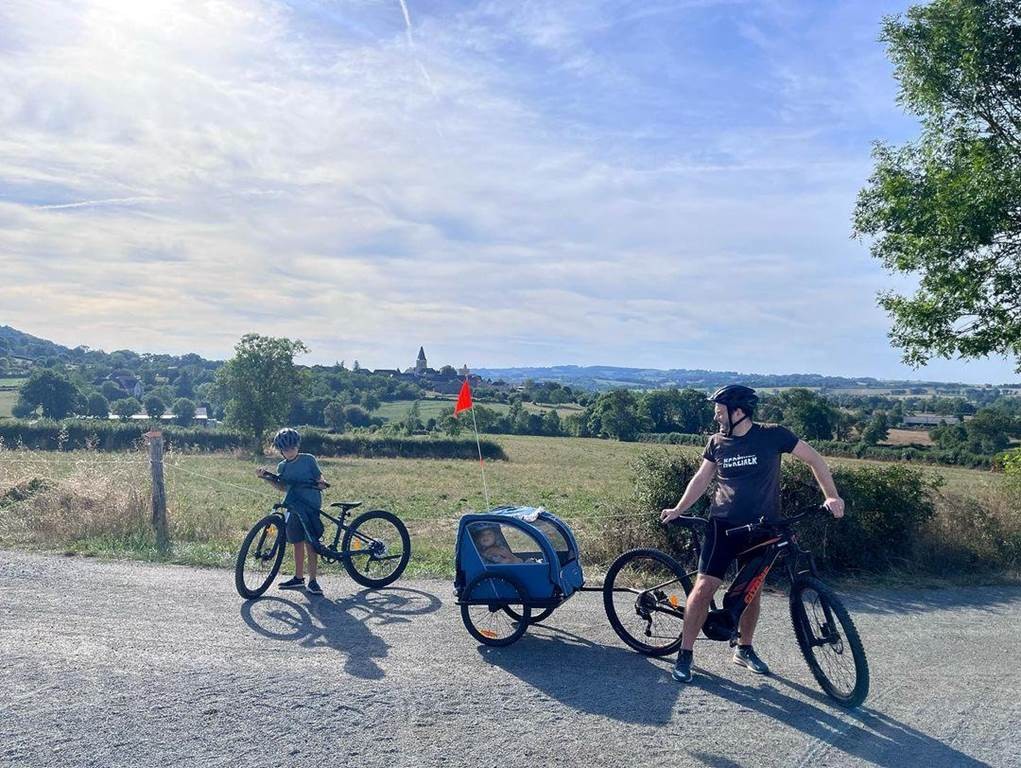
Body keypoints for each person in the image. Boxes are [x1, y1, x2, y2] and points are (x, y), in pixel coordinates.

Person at [660, 385, 845, 683]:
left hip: (763, 528)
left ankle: (744, 649)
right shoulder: (717, 442)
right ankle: (685, 654)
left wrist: (832, 496)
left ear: (738, 412)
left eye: (720, 411)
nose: (716, 416)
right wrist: (679, 509)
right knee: (704, 587)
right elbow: (702, 478)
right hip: (723, 527)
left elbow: (815, 459)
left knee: (752, 591)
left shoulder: (773, 435)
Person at [256, 427, 329, 596]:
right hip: (294, 508)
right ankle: (298, 577)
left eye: (292, 448)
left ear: (298, 446)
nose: (289, 452)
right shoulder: (282, 466)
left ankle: (313, 580)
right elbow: (282, 486)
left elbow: (319, 476)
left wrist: (322, 483)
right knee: (297, 543)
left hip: (310, 507)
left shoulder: (308, 460)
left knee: (311, 544)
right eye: (286, 449)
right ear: (281, 451)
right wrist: (266, 478)